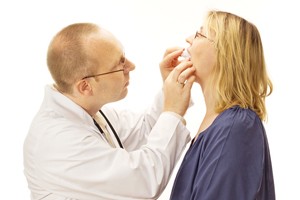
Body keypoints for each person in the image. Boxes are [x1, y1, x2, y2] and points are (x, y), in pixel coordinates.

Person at [23, 23, 196, 200]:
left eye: (124, 57)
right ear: (85, 86)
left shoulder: (87, 112)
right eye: (120, 65)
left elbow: (145, 129)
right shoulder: (57, 142)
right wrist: (173, 112)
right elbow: (143, 182)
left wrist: (171, 87)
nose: (132, 66)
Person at [169, 10, 276, 200]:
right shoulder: (224, 124)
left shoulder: (236, 126)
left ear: (225, 53)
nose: (188, 39)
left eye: (199, 34)